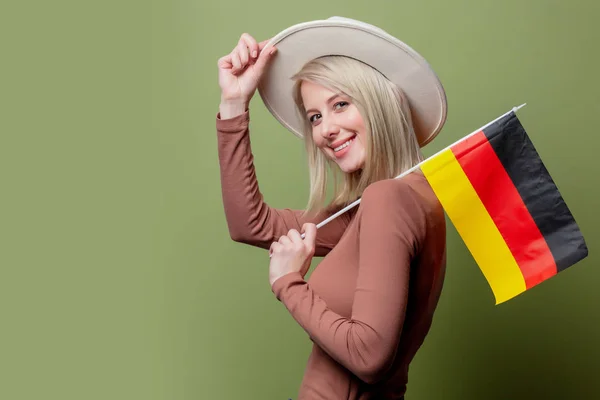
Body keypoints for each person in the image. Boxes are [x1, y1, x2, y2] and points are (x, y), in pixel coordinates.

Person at [216, 17, 447, 400]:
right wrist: (234, 103)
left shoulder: (388, 199)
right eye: (315, 117)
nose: (325, 129)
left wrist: (288, 283)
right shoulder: (390, 203)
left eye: (340, 104)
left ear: (380, 100)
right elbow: (250, 223)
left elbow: (368, 355)